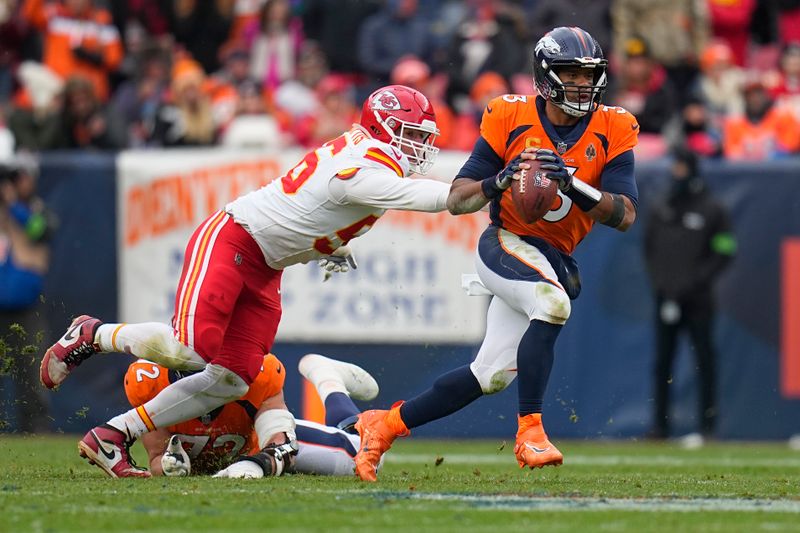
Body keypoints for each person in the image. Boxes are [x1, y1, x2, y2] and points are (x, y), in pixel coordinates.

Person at [38, 84, 450, 478]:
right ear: (382, 127)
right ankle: (94, 334)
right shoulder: (363, 167)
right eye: (411, 133)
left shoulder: (365, 153)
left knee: (234, 378)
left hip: (267, 266)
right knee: (192, 348)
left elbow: (309, 207)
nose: (419, 145)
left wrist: (328, 246)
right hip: (236, 238)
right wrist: (491, 185)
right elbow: (435, 199)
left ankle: (114, 433)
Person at [353, 26, 640, 481]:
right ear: (546, 76)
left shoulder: (615, 125)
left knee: (490, 375)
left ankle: (382, 426)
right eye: (570, 73)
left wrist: (573, 184)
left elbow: (624, 215)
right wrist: (499, 181)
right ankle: (530, 432)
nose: (583, 84)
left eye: (589, 75)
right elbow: (458, 198)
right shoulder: (510, 115)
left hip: (554, 255)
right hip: (505, 242)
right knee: (552, 303)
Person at [127, 354, 381, 477]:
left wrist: (257, 464)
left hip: (259, 444)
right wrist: (169, 467)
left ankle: (328, 379)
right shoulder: (148, 382)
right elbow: (156, 458)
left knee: (367, 455)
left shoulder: (259, 371)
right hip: (235, 454)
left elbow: (280, 446)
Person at [644, 147, 735, 445]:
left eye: (682, 167)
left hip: (698, 300)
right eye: (676, 166)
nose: (677, 173)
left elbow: (724, 251)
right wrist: (663, 285)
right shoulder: (662, 207)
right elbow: (650, 251)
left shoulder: (712, 208)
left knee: (705, 360)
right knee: (662, 363)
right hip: (666, 298)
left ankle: (708, 426)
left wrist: (696, 282)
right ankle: (660, 427)